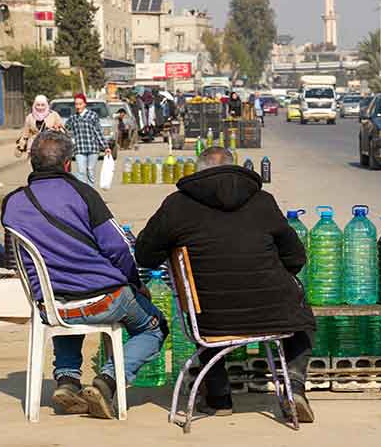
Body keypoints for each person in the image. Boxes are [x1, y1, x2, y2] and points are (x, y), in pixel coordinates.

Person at [135, 146, 316, 422]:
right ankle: (294, 386)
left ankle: (219, 398)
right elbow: (295, 257)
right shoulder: (263, 201)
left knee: (210, 307)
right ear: (235, 168)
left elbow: (145, 255)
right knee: (303, 317)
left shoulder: (177, 205)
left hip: (210, 321)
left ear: (198, 172)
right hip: (275, 315)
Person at [2, 130, 167, 419]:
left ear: (32, 162)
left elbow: (14, 257)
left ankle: (67, 380)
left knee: (64, 298)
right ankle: (107, 381)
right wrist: (135, 283)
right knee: (154, 327)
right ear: (68, 164)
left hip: (50, 306)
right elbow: (118, 248)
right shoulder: (83, 193)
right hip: (102, 302)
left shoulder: (13, 202)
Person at [64, 93, 110, 186]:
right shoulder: (73, 117)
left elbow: (98, 132)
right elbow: (65, 129)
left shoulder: (92, 115)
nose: (78, 106)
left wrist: (105, 147)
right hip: (79, 149)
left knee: (90, 170)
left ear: (85, 104)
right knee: (81, 171)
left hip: (92, 148)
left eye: (80, 104)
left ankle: (90, 192)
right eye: (76, 104)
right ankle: (84, 193)